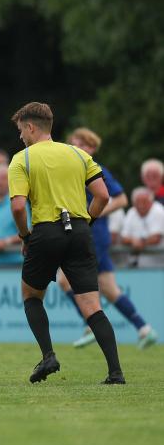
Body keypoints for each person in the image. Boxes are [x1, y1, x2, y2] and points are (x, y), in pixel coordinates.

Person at [7, 102, 124, 384]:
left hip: (46, 232)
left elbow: (19, 207)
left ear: (31, 127)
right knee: (92, 305)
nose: (21, 136)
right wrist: (88, 222)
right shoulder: (79, 154)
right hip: (80, 231)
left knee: (31, 296)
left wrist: (25, 236)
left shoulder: (22, 159)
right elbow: (103, 196)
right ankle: (115, 372)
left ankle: (48, 355)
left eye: (21, 130)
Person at [59, 128, 157, 350]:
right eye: (73, 144)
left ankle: (90, 326)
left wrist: (91, 213)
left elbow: (121, 199)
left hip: (94, 235)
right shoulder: (74, 170)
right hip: (90, 234)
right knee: (110, 288)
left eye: (82, 145)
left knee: (64, 279)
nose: (77, 148)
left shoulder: (97, 169)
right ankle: (144, 328)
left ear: (91, 148)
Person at [121, 187, 164, 268]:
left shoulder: (159, 210)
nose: (141, 205)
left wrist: (139, 243)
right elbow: (123, 238)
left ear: (151, 202)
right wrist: (133, 241)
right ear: (133, 203)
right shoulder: (131, 212)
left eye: (144, 202)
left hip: (158, 265)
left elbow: (156, 238)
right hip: (134, 265)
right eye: (138, 202)